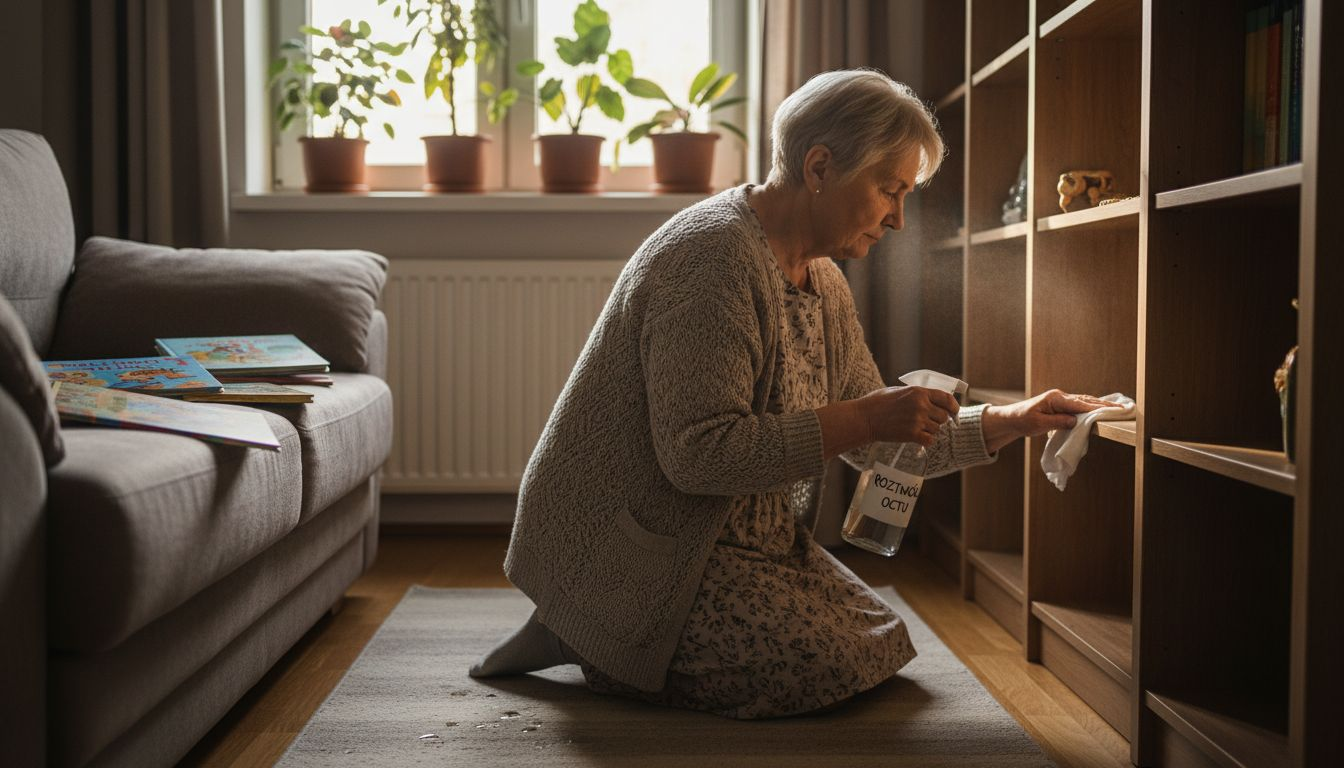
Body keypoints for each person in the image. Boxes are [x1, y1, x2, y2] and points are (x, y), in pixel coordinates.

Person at [470, 68, 1112, 719]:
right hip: (640, 548)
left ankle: (603, 634)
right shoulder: (710, 260)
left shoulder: (822, 279)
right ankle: (590, 627)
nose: (897, 219)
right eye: (890, 190)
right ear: (820, 166)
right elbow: (698, 457)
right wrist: (866, 417)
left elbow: (879, 440)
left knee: (881, 641)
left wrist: (1015, 419)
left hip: (747, 539)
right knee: (825, 663)